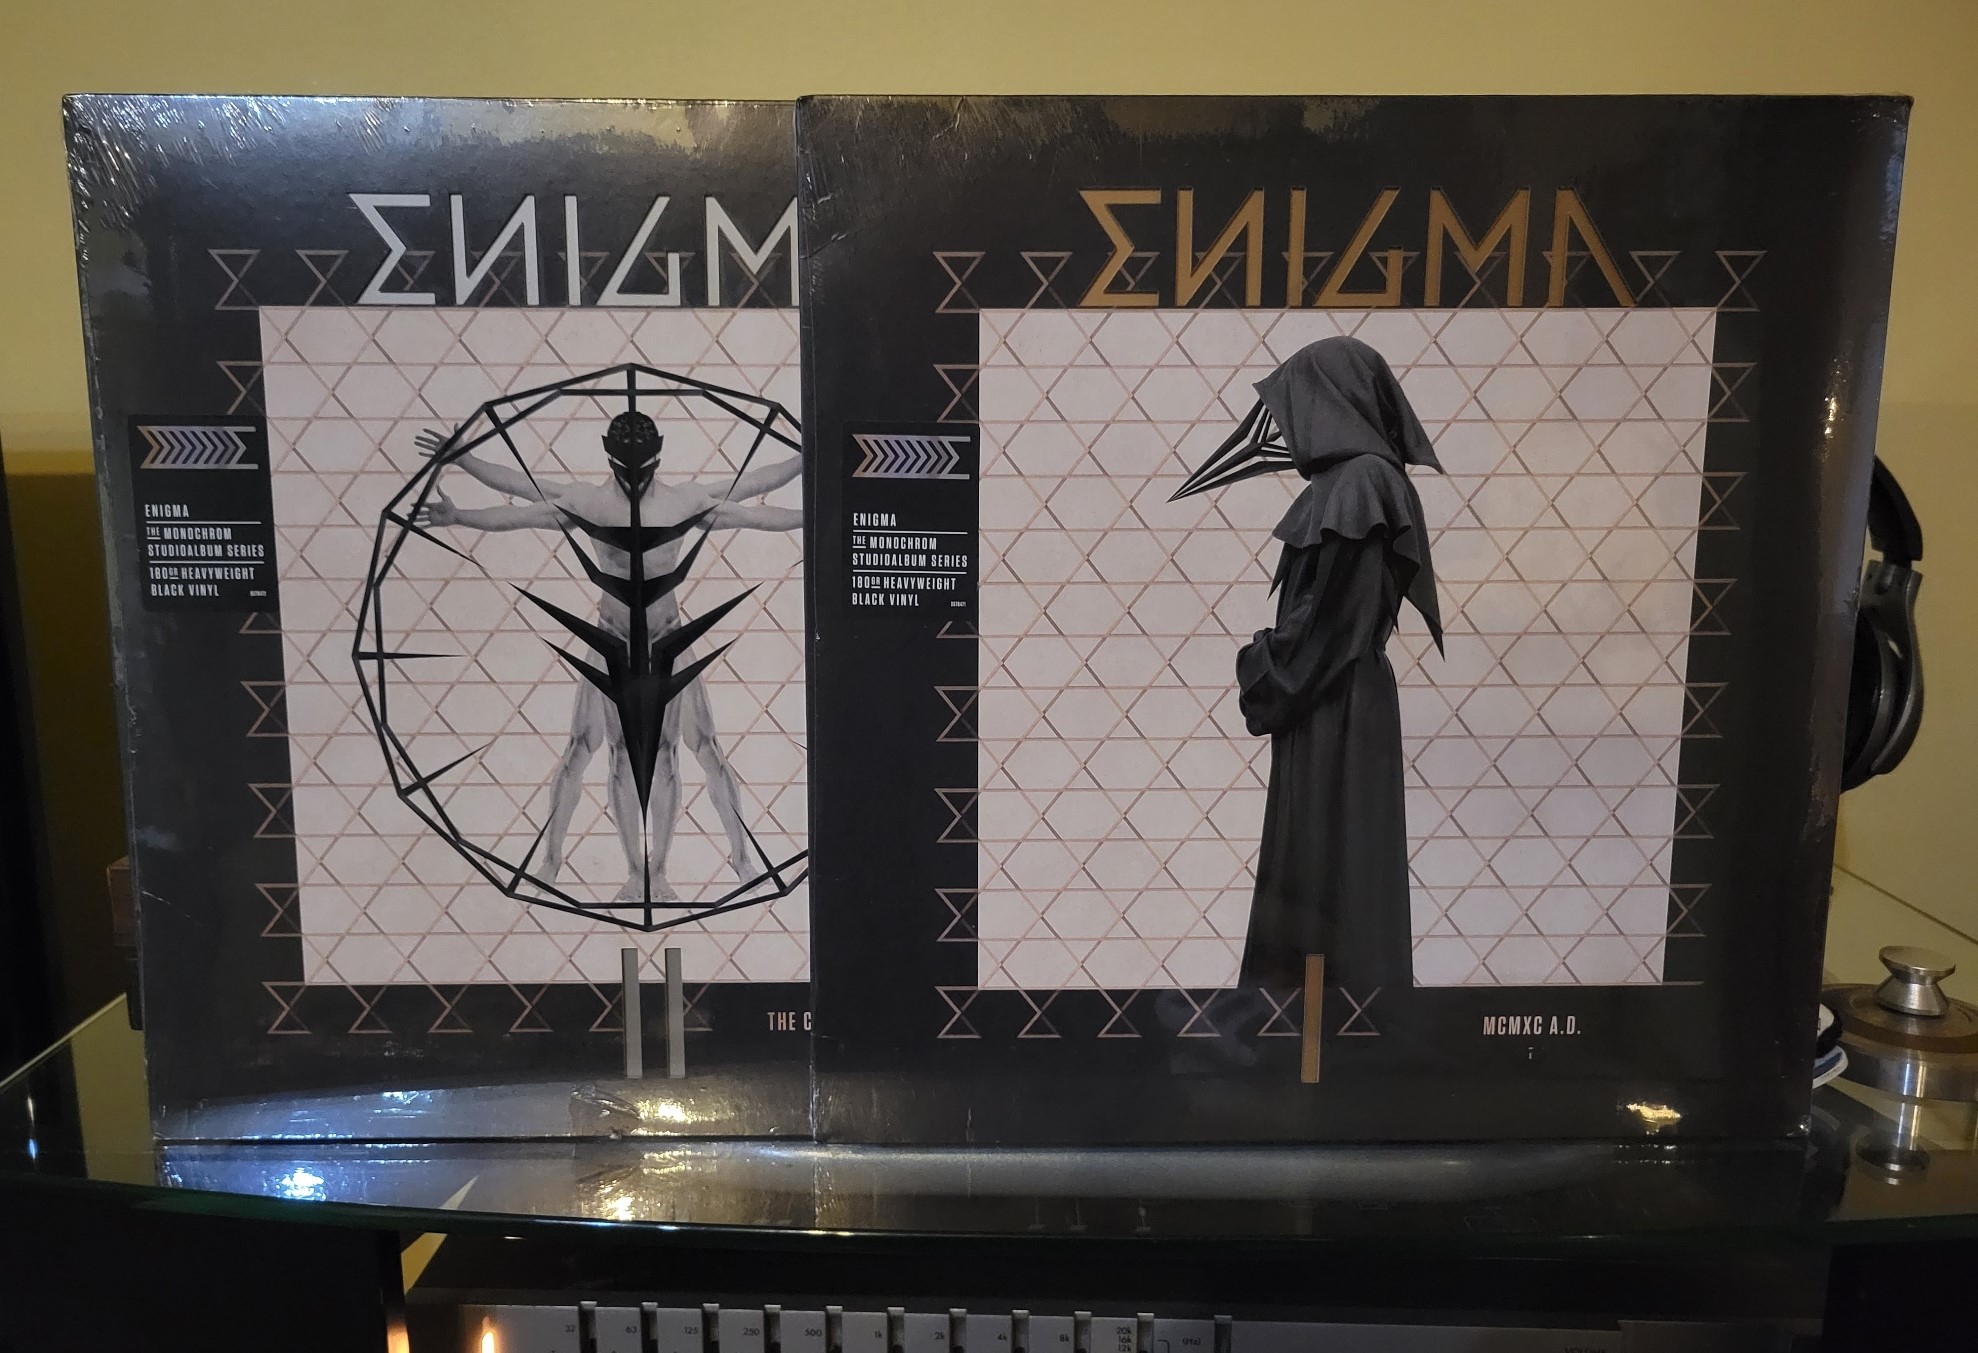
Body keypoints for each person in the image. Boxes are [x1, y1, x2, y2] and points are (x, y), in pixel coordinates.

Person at [415, 410, 800, 903]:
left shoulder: (682, 501)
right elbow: (520, 500)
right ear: (611, 458)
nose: (635, 480)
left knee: (699, 749)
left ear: (657, 457)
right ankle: (565, 864)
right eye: (627, 468)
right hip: (612, 639)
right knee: (587, 750)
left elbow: (754, 499)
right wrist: (463, 496)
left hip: (666, 638)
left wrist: (809, 478)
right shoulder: (588, 501)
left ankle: (726, 863)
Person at [1230, 337, 1444, 1000]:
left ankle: (1325, 1038)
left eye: (1295, 404)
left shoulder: (1361, 483)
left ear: (1327, 401)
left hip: (1335, 705)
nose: (1286, 424)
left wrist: (1260, 662)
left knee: (1329, 871)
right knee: (1328, 873)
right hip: (1335, 699)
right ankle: (1320, 1034)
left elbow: (1328, 624)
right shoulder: (1354, 483)